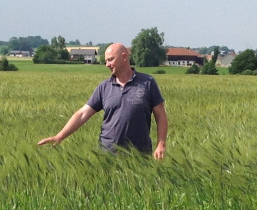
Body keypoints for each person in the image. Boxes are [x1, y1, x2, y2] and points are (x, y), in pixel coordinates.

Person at [37, 43, 168, 159]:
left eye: (111, 60)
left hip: (140, 155)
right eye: (106, 61)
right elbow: (83, 114)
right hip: (107, 155)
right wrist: (59, 136)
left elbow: (161, 116)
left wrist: (161, 144)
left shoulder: (147, 83)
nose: (107, 65)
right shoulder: (104, 87)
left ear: (124, 57)